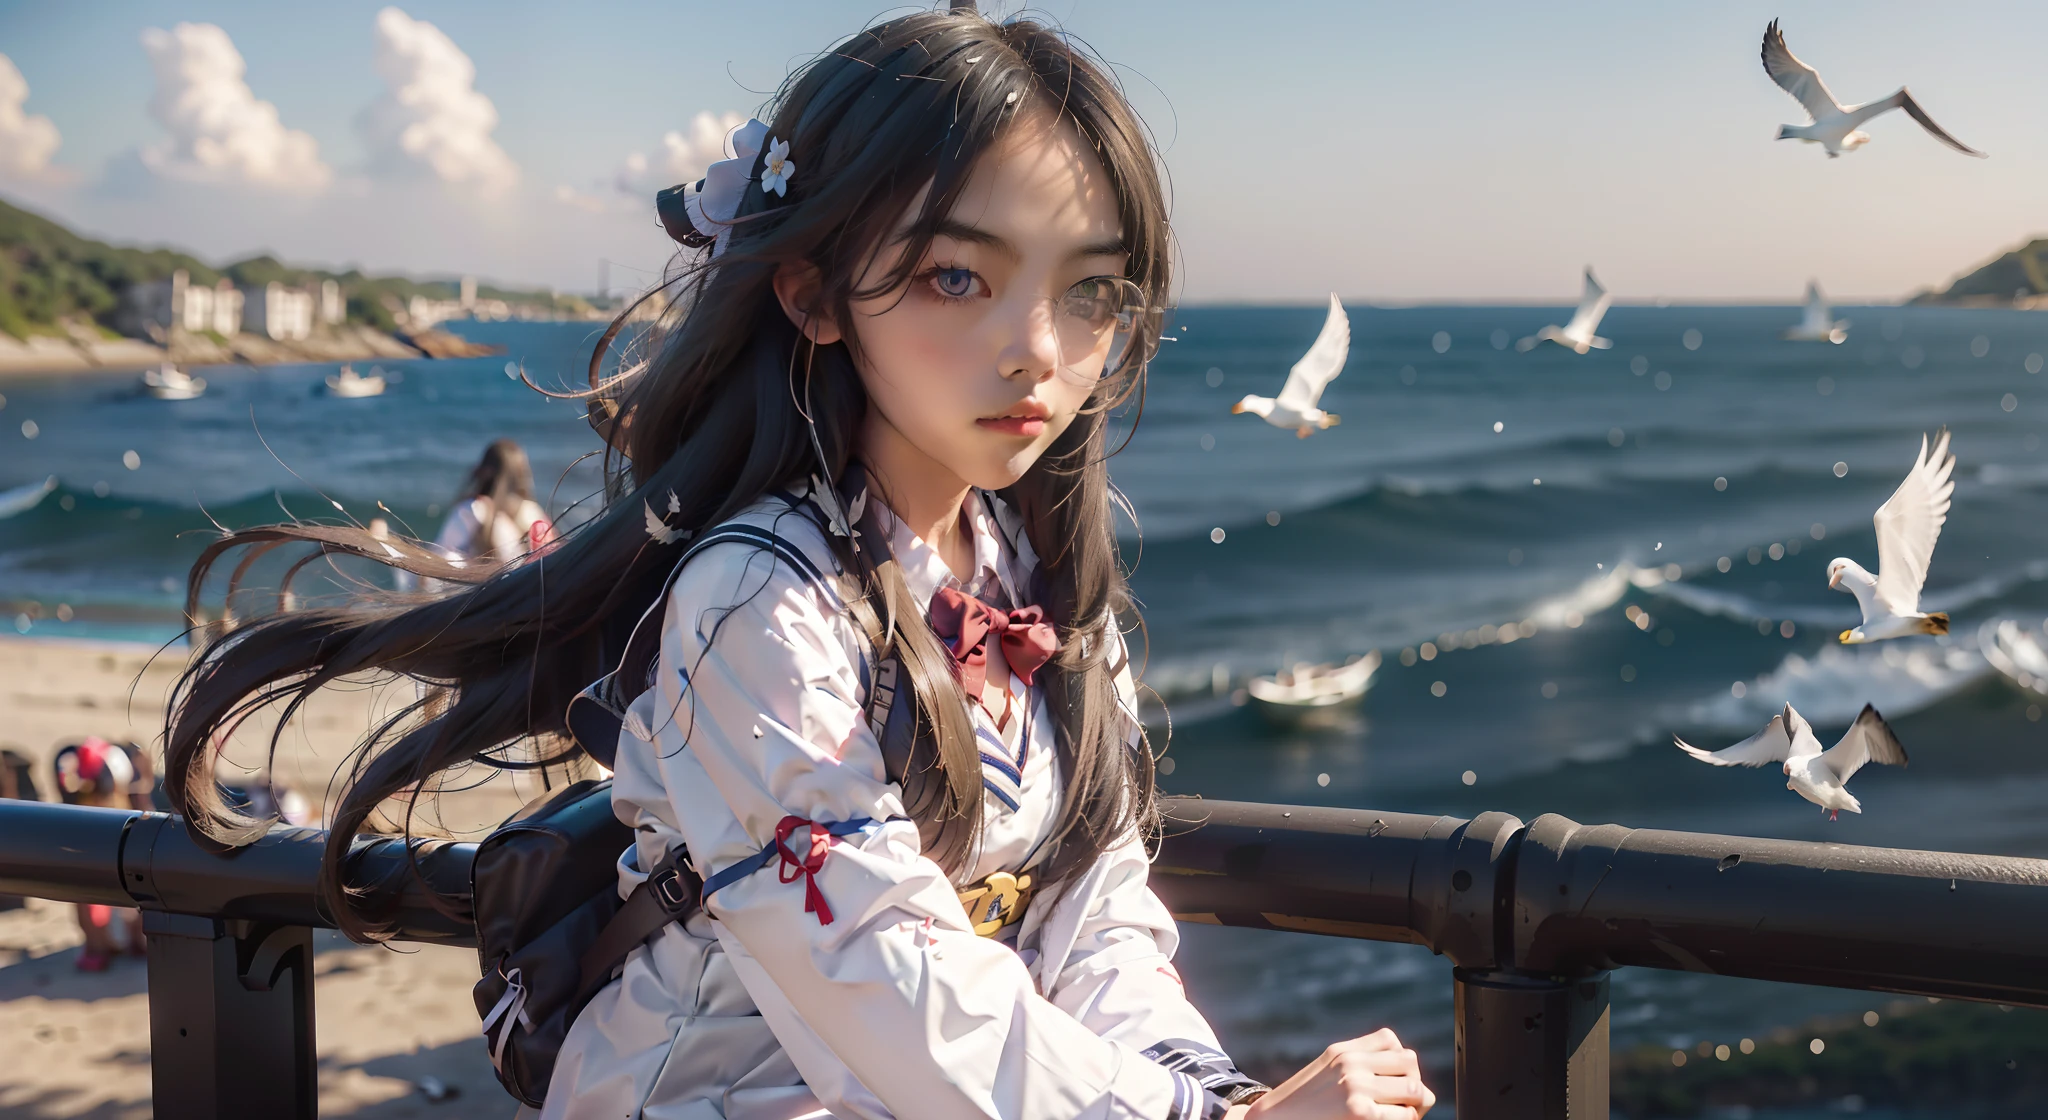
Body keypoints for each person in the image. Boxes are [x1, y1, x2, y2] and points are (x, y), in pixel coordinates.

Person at [164, 11, 1435, 1120]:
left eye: (1092, 293)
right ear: (814, 294)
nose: (1036, 348)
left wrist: (1210, 1091)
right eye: (956, 275)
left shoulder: (1033, 578)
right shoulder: (755, 601)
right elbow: (878, 965)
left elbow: (1092, 904)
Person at [53, 738, 150, 969]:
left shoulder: (122, 820)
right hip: (114, 928)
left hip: (124, 926)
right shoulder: (127, 820)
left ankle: (103, 946)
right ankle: (101, 946)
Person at [431, 439, 555, 567]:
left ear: (484, 469)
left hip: (484, 584)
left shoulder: (474, 509)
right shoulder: (532, 511)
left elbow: (441, 555)